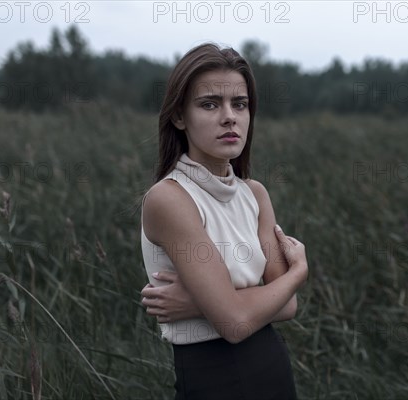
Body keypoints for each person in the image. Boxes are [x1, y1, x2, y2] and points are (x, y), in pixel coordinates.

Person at [139, 42, 308, 399]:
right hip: (215, 379)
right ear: (179, 116)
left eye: (240, 104)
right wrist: (296, 274)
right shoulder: (170, 199)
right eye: (210, 104)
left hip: (272, 370)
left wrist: (204, 303)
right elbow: (233, 324)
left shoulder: (255, 194)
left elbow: (289, 306)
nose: (229, 116)